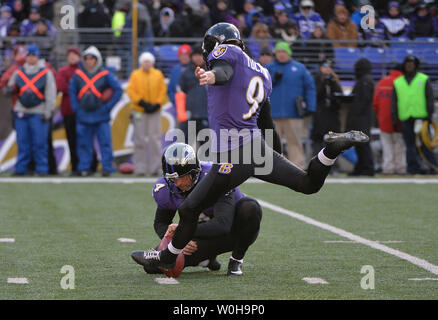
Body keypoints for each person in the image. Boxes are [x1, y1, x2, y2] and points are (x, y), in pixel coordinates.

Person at [136, 22, 370, 272]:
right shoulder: (263, 72)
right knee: (308, 184)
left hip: (235, 153)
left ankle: (167, 258)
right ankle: (330, 151)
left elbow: (223, 71)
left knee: (188, 208)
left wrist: (210, 76)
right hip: (256, 148)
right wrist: (275, 155)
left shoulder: (225, 53)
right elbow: (265, 120)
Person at [131, 143, 263, 276]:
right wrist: (178, 239)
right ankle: (205, 260)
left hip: (232, 232)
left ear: (194, 172)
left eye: (181, 177)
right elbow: (160, 222)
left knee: (250, 207)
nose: (178, 183)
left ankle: (236, 260)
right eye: (172, 179)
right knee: (153, 267)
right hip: (200, 233)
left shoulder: (216, 177)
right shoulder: (166, 187)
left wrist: (183, 234)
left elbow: (222, 225)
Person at [69, 46, 122, 177]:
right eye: (86, 58)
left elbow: (118, 90)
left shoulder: (105, 74)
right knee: (83, 144)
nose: (89, 61)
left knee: (104, 143)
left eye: (92, 58)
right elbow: (72, 91)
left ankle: (107, 167)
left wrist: (107, 107)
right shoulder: (78, 74)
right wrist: (76, 107)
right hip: (83, 115)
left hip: (101, 115)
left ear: (97, 59)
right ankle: (84, 168)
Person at [5, 44, 56, 176]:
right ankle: (21, 169)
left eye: (33, 55)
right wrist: (9, 89)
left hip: (38, 111)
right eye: (29, 55)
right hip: (21, 110)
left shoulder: (46, 72)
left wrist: (48, 111)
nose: (31, 58)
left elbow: (50, 93)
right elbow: (10, 86)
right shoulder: (19, 72)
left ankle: (42, 169)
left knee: (39, 143)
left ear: (37, 56)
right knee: (22, 143)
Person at [266, 41, 316, 169]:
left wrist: (310, 107)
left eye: (284, 52)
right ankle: (272, 167)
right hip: (272, 113)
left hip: (293, 113)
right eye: (279, 52)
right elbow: (260, 86)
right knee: (271, 143)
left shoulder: (299, 68)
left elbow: (310, 87)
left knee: (295, 142)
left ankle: (298, 167)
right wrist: (273, 78)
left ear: (289, 53)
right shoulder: (269, 68)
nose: (281, 55)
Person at [391, 55, 437, 174]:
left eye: (411, 63)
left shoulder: (423, 78)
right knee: (410, 146)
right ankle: (413, 168)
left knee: (426, 144)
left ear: (416, 65)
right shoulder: (398, 82)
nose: (409, 65)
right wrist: (395, 119)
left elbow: (429, 98)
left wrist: (429, 115)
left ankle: (433, 167)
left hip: (421, 118)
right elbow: (394, 102)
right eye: (407, 63)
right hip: (406, 118)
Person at [56, 46, 96, 175]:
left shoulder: (83, 70)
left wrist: (76, 87)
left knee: (86, 140)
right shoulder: (63, 71)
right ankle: (75, 167)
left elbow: (86, 87)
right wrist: (76, 88)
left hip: (84, 111)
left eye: (75, 55)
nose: (72, 57)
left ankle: (90, 165)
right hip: (68, 111)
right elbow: (61, 86)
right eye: (70, 55)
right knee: (72, 140)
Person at [126, 51, 167, 176]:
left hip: (154, 111)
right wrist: (141, 102)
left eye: (148, 61)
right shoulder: (135, 75)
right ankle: (140, 168)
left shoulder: (158, 74)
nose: (146, 63)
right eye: (144, 61)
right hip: (140, 110)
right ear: (141, 62)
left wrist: (157, 103)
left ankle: (155, 167)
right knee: (139, 139)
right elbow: (131, 91)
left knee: (154, 139)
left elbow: (162, 90)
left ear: (152, 63)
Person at [373, 65, 406, 175]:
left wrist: (380, 116)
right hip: (399, 121)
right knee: (399, 145)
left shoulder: (382, 82)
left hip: (384, 120)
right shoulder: (403, 82)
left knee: (387, 146)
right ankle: (400, 168)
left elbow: (375, 104)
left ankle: (388, 168)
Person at [346, 58, 375, 176]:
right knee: (358, 144)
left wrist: (355, 112)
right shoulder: (364, 80)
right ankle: (361, 167)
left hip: (361, 119)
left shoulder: (365, 81)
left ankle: (368, 168)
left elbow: (364, 100)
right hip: (360, 118)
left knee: (363, 144)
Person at [177, 45, 209, 149]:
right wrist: (182, 115)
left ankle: (206, 166)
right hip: (189, 116)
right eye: (195, 55)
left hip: (206, 115)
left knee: (207, 149)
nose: (198, 58)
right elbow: (180, 94)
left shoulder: (212, 73)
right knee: (186, 147)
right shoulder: (185, 74)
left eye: (200, 55)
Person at [311, 60, 343, 157]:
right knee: (318, 139)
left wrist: (332, 82)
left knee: (333, 139)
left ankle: (333, 165)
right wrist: (323, 82)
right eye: (325, 66)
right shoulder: (316, 78)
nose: (327, 69)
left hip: (332, 114)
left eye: (329, 67)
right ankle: (316, 162)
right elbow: (316, 94)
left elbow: (339, 95)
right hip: (320, 113)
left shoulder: (334, 79)